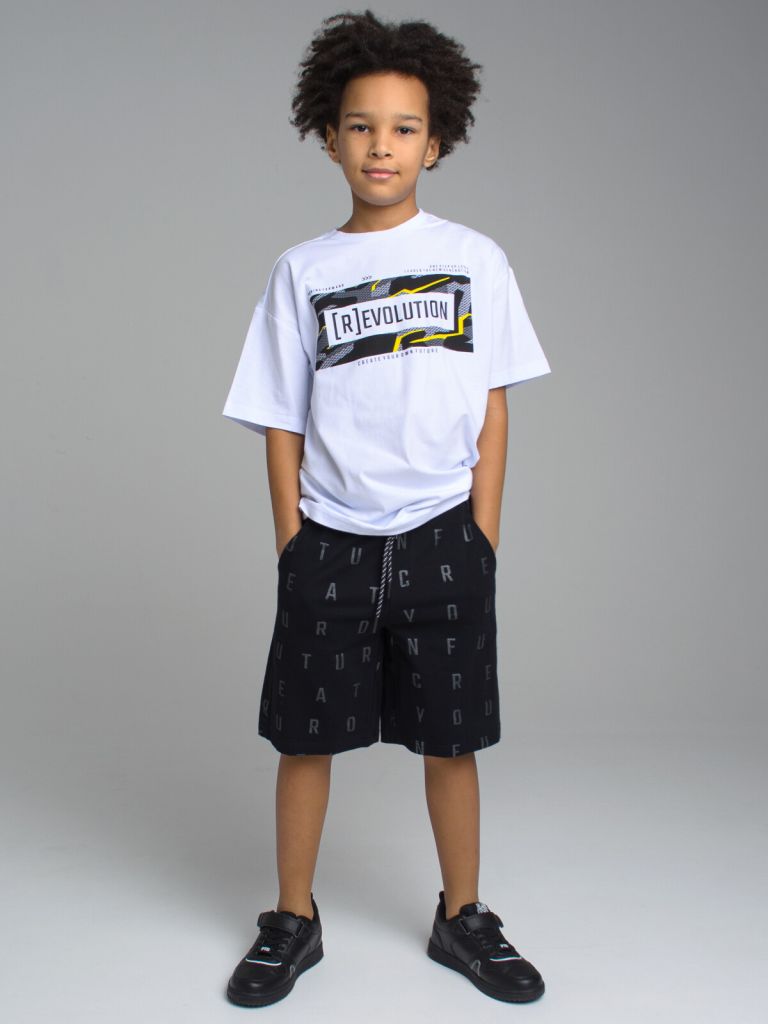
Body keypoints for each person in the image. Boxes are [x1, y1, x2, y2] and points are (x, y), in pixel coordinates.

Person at [221, 9, 551, 1009]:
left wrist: (482, 536)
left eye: (404, 128)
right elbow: (280, 417)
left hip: (445, 538)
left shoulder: (477, 258)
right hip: (331, 542)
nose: (381, 145)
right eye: (361, 126)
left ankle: (464, 916)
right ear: (329, 138)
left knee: (453, 741)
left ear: (435, 142)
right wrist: (293, 542)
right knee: (305, 740)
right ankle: (292, 918)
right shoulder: (302, 271)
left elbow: (494, 405)